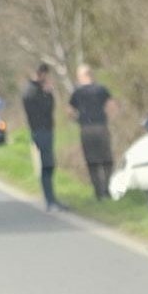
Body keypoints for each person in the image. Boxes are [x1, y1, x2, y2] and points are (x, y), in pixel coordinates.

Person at [68, 64, 117, 200]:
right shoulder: (101, 89)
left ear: (81, 77)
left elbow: (69, 111)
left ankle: (98, 192)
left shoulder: (78, 92)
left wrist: (78, 120)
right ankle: (106, 189)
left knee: (92, 161)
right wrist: (108, 119)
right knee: (107, 160)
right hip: (101, 127)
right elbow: (112, 105)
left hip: (86, 129)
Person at [21, 63, 65, 212]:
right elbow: (46, 110)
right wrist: (49, 94)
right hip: (41, 131)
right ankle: (50, 201)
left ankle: (52, 199)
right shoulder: (32, 92)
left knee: (49, 165)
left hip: (44, 130)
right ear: (41, 74)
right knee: (47, 166)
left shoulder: (34, 90)